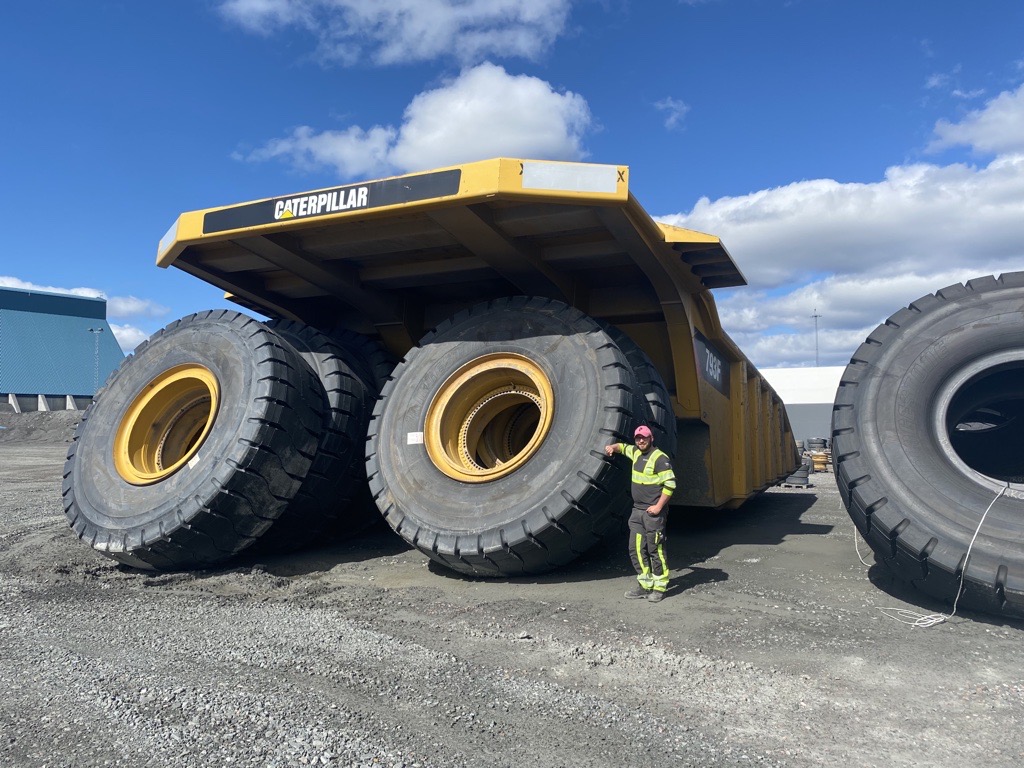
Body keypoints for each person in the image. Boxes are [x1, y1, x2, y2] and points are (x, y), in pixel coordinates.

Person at [604, 425, 676, 602]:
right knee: (635, 549)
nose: (641, 441)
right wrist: (612, 448)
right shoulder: (635, 451)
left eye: (644, 438)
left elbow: (670, 485)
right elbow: (622, 447)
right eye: (638, 438)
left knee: (655, 549)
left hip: (653, 514)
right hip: (637, 511)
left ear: (651, 439)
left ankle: (659, 588)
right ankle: (645, 585)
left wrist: (658, 507)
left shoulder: (660, 458)